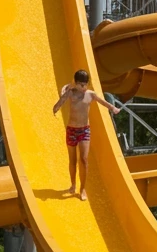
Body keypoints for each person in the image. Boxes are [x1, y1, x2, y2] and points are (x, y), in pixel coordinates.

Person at [51, 69, 121, 201]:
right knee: (72, 160)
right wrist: (55, 108)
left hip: (84, 131)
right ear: (75, 83)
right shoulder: (71, 93)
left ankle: (82, 189)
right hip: (72, 130)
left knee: (83, 160)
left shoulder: (90, 94)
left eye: (85, 85)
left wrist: (113, 108)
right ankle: (73, 185)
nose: (83, 87)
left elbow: (102, 102)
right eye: (80, 85)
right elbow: (61, 101)